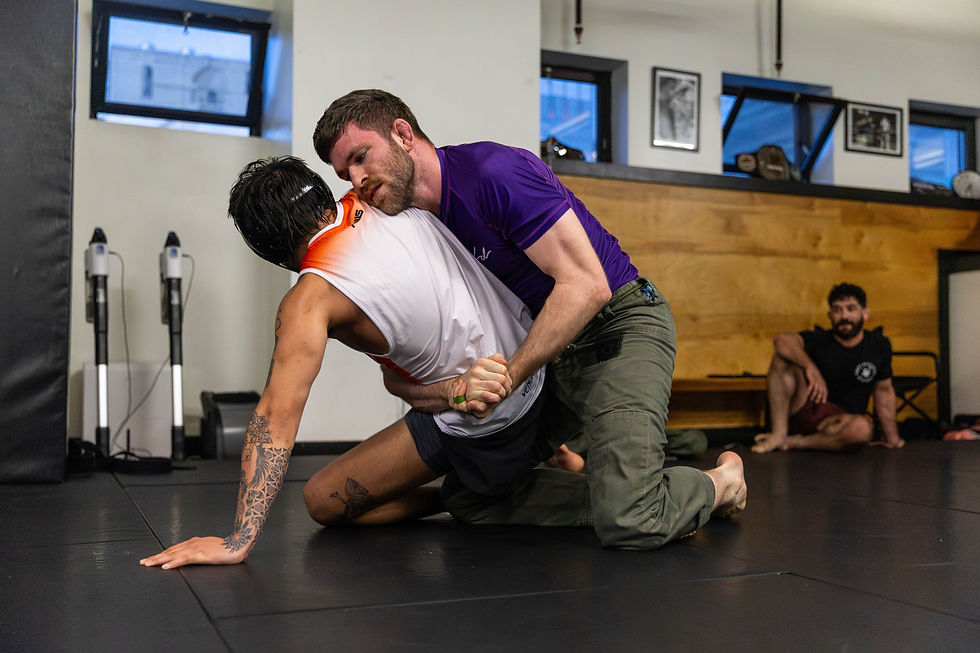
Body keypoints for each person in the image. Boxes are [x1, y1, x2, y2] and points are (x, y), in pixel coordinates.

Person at [140, 156, 747, 568]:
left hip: (499, 413)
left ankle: (702, 485)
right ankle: (498, 481)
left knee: (337, 501)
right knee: (336, 493)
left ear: (265, 247)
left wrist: (239, 539)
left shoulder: (309, 300)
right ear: (326, 193)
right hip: (522, 381)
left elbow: (276, 415)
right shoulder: (382, 200)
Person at [313, 89, 745, 550]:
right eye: (344, 173)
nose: (356, 178)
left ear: (402, 134)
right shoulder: (414, 222)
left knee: (632, 521)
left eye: (360, 158)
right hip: (549, 351)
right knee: (470, 498)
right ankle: (623, 498)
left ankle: (719, 483)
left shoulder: (493, 173)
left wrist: (509, 376)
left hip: (616, 328)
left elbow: (587, 287)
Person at [752, 283, 905, 453]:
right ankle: (778, 434)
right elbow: (781, 340)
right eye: (837, 310)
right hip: (806, 408)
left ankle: (794, 442)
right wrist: (810, 367)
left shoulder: (878, 345)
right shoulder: (819, 339)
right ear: (830, 315)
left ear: (865, 313)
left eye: (851, 309)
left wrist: (893, 439)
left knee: (861, 430)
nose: (844, 315)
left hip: (841, 422)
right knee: (782, 357)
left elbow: (884, 392)